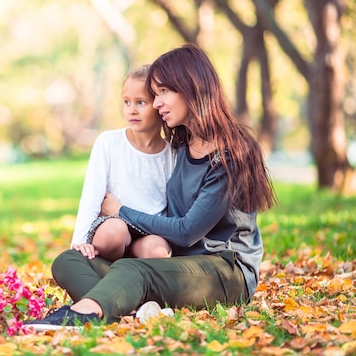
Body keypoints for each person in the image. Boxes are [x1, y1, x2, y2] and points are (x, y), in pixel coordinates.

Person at [26, 43, 276, 330]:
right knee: (69, 261)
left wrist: (121, 210)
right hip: (177, 267)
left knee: (134, 270)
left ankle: (82, 314)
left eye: (163, 93)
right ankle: (135, 315)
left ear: (191, 87)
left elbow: (186, 231)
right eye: (155, 95)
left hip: (225, 270)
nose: (157, 104)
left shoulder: (232, 154)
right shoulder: (182, 145)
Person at [71, 64, 176, 262]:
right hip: (112, 225)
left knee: (158, 250)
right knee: (115, 231)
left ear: (158, 105)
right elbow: (91, 197)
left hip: (148, 231)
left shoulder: (171, 155)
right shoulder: (108, 142)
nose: (131, 110)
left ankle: (135, 277)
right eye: (126, 102)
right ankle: (107, 269)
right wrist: (79, 241)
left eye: (140, 103)